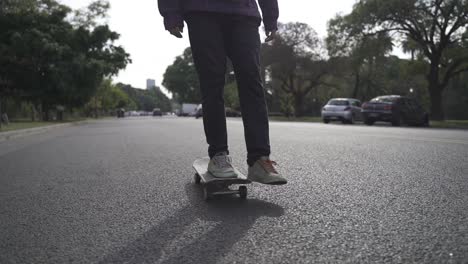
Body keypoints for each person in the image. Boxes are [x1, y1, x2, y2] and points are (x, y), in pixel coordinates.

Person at [158, 0, 287, 185]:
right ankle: (219, 155)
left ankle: (259, 159)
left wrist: (271, 17)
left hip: (244, 14)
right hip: (202, 12)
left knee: (252, 83)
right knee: (212, 82)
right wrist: (171, 13)